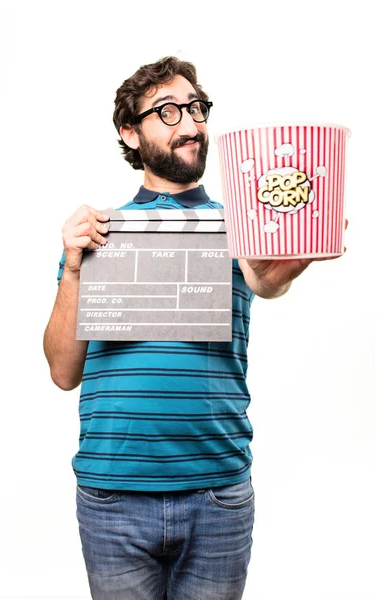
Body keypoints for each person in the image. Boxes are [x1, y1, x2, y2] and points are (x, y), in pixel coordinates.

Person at [43, 56, 344, 600]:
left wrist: (281, 273)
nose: (190, 123)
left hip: (217, 495)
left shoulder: (242, 223)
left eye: (196, 107)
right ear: (129, 133)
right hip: (113, 495)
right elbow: (64, 372)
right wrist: (71, 262)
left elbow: (265, 283)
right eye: (167, 111)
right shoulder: (96, 234)